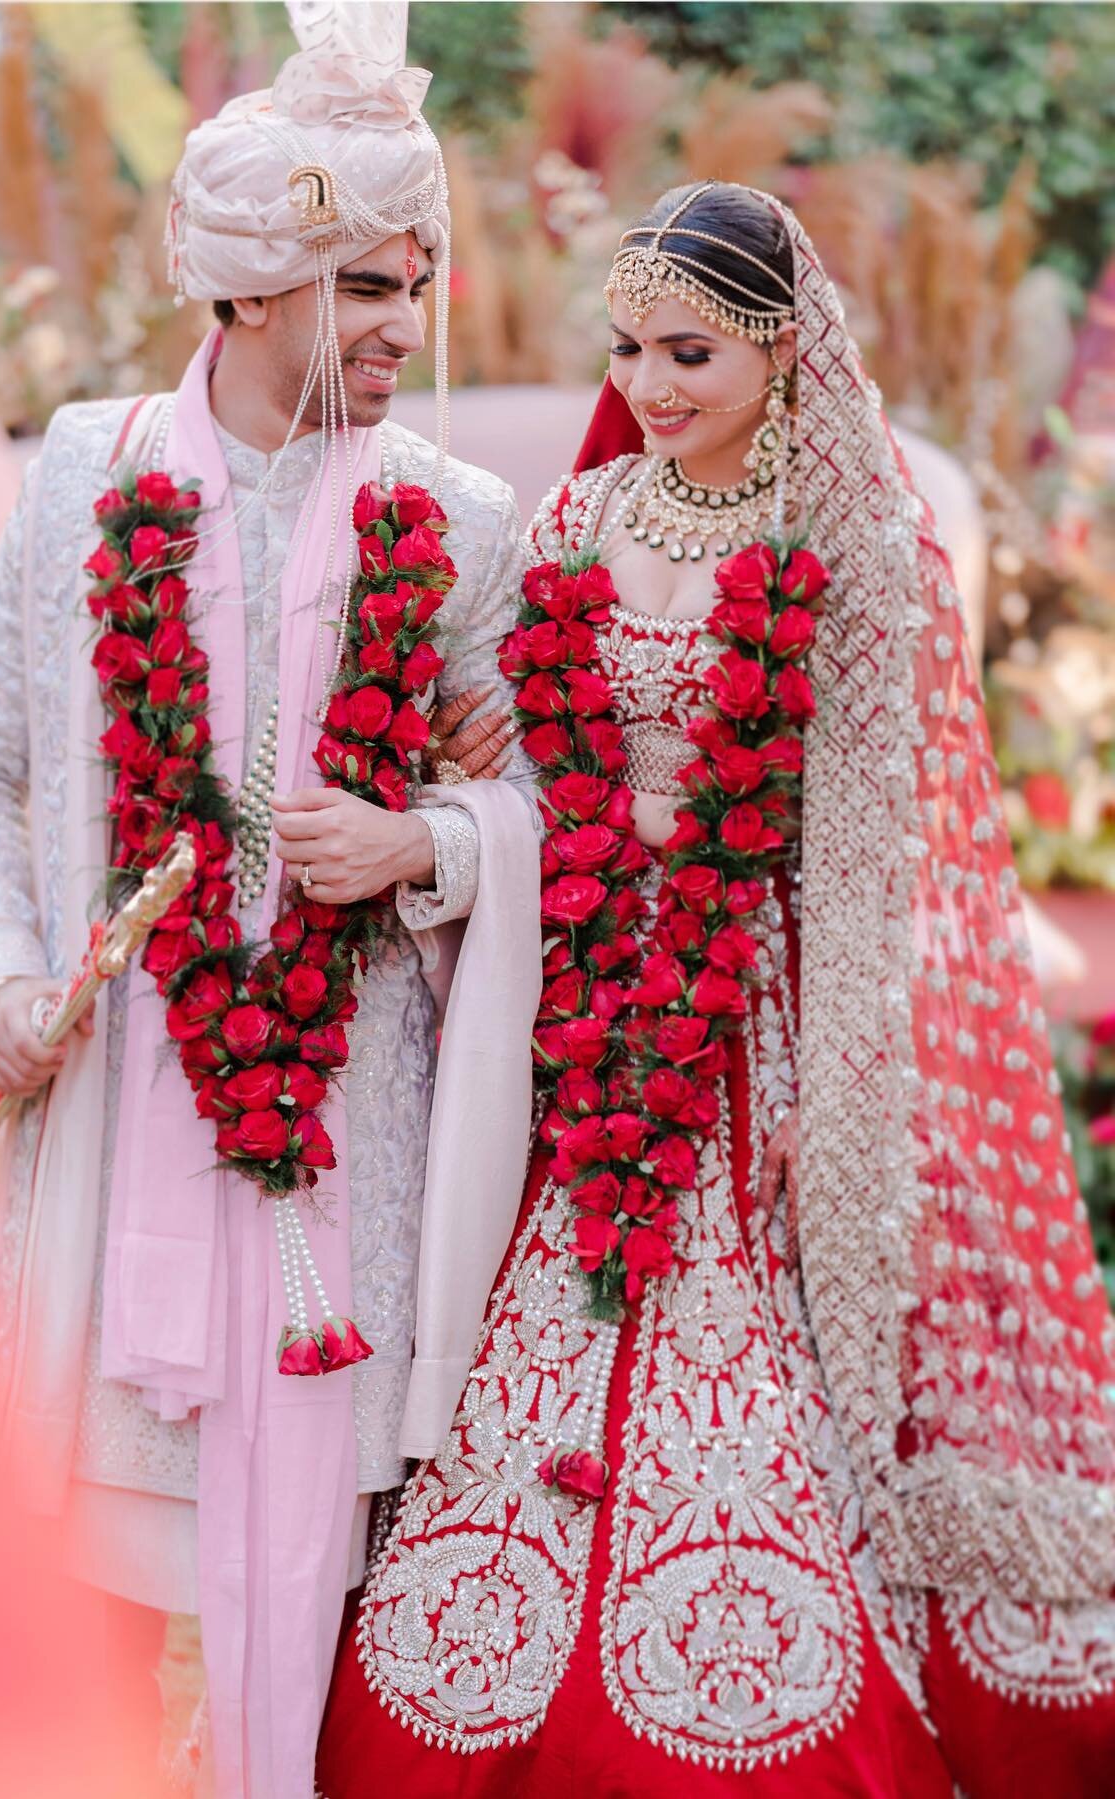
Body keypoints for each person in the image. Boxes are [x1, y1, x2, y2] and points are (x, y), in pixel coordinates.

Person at [316, 181, 1115, 1798]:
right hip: (587, 1004)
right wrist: (484, 766)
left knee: (749, 1326)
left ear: (781, 344)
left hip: (756, 1015)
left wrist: (836, 1079)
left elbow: (881, 847)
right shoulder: (588, 522)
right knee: (547, 1323)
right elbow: (534, 737)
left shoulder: (854, 544)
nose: (653, 384)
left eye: (689, 350)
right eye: (630, 350)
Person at [0, 7, 541, 1796]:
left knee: (337, 1613)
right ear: (251, 290)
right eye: (360, 288)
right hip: (125, 1115)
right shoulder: (85, 473)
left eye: (411, 283)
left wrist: (421, 847)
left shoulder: (462, 515)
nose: (399, 331)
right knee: (90, 1614)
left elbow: (539, 802)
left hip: (355, 1144)